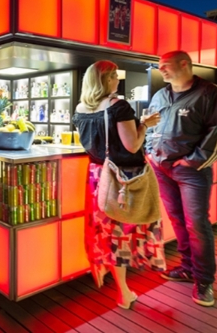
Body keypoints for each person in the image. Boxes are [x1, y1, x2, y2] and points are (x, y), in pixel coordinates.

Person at [72, 60, 165, 309]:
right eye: (114, 76)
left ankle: (120, 286)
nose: (117, 80)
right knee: (122, 236)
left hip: (97, 179)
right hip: (123, 180)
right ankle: (123, 292)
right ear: (106, 80)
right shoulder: (118, 107)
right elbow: (132, 145)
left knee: (107, 233)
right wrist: (144, 124)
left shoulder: (80, 110)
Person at [145, 50, 217, 307]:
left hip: (191, 172)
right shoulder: (160, 95)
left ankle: (204, 281)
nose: (162, 71)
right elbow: (151, 126)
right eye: (160, 67)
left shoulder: (211, 93)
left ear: (185, 64)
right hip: (162, 169)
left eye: (165, 66)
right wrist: (151, 153)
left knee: (197, 224)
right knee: (177, 221)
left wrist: (191, 161)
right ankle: (187, 268)